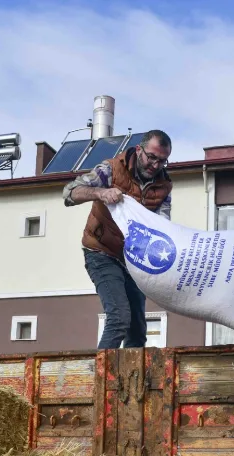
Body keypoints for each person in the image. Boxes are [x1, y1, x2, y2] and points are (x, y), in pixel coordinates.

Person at [63, 130, 173, 349]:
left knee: (137, 331)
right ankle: (100, 380)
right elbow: (69, 193)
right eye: (151, 157)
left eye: (162, 161)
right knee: (119, 318)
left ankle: (130, 382)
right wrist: (101, 193)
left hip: (132, 260)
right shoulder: (111, 169)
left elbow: (162, 224)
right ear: (139, 150)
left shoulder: (164, 187)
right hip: (100, 252)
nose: (155, 165)